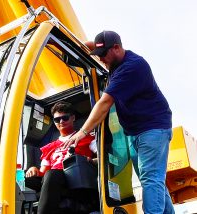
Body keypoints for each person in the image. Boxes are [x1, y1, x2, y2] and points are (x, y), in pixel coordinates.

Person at [64, 31, 174, 214]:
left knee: (150, 178)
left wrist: (83, 131)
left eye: (103, 55)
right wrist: (77, 46)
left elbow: (105, 103)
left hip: (153, 128)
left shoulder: (132, 67)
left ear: (116, 48)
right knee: (152, 180)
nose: (102, 60)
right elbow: (93, 45)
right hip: (134, 131)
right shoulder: (113, 59)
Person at [25, 101, 96, 214]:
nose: (61, 122)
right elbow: (43, 173)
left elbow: (104, 158)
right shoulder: (48, 148)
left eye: (65, 118)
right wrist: (34, 169)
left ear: (73, 118)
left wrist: (91, 161)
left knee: (52, 174)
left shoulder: (87, 137)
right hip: (52, 179)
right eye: (57, 120)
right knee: (21, 179)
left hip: (75, 178)